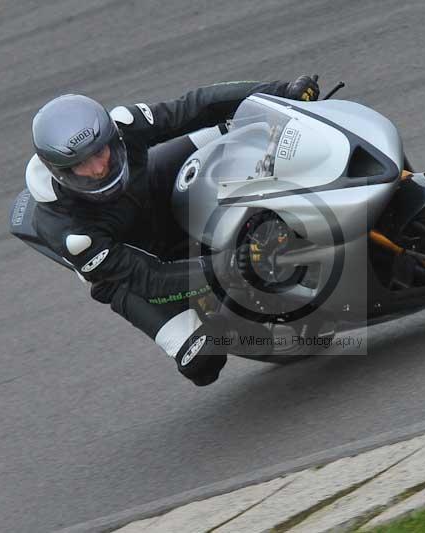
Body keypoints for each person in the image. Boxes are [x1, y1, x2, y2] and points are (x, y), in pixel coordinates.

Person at [24, 76, 320, 386]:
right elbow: (148, 278)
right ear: (59, 171)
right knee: (202, 361)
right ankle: (232, 319)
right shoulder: (67, 229)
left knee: (237, 129)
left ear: (112, 138)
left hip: (152, 196)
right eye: (82, 165)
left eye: (100, 152)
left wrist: (280, 93)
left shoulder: (123, 126)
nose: (99, 168)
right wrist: (227, 269)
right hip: (129, 273)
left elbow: (195, 106)